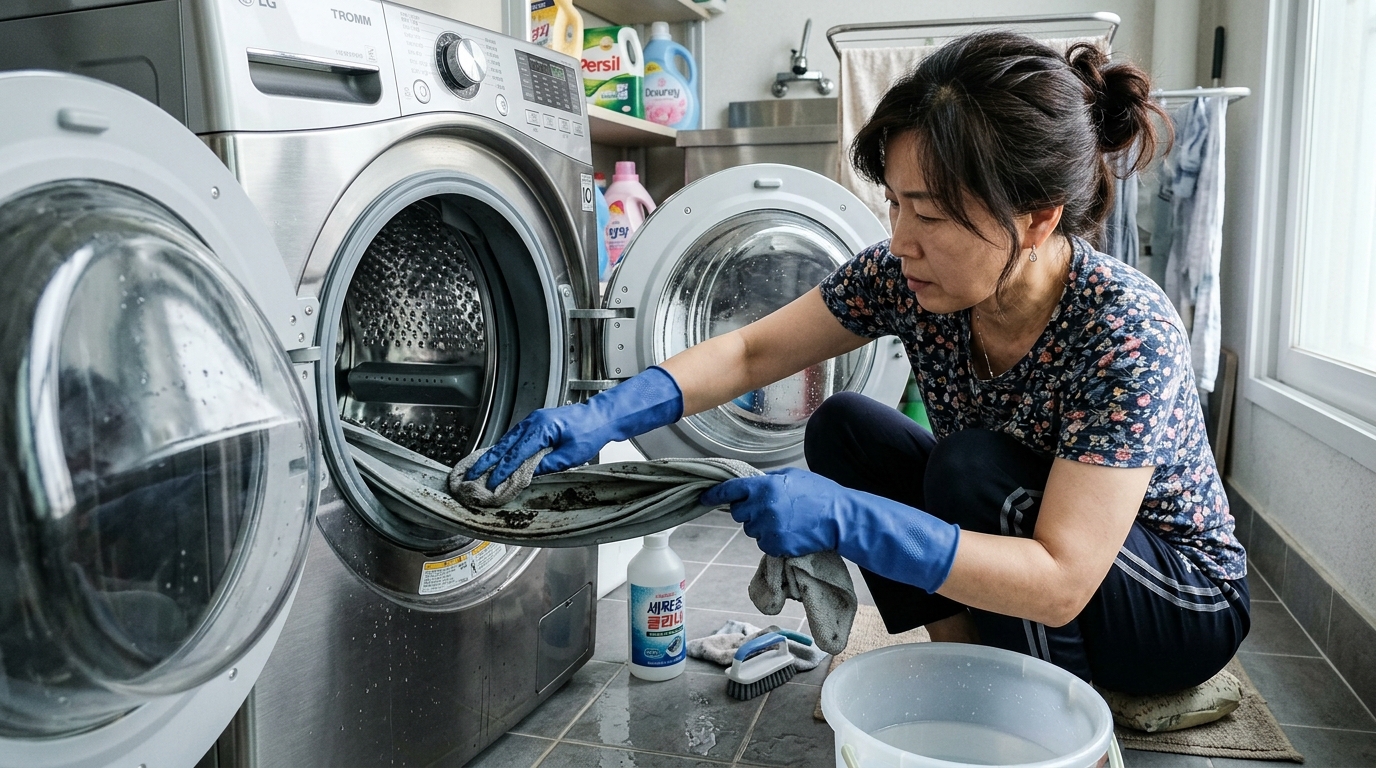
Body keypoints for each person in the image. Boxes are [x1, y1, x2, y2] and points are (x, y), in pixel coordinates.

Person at [468, 31, 1249, 694]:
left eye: (933, 215)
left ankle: (1044, 702)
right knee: (846, 428)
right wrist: (602, 413)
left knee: (972, 468)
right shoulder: (907, 277)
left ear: (1038, 218)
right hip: (1040, 551)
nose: (902, 239)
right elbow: (753, 348)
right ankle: (967, 665)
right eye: (897, 203)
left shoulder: (1123, 328)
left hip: (1174, 602)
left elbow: (1061, 577)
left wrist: (848, 518)